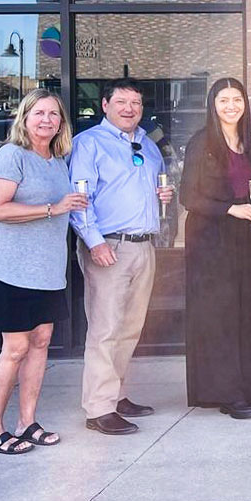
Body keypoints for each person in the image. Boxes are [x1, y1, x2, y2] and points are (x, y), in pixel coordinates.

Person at [70, 79, 175, 436]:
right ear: (104, 105)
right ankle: (99, 409)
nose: (130, 108)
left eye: (136, 103)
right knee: (105, 328)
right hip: (109, 247)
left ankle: (117, 395)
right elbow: (79, 199)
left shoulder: (146, 143)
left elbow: (157, 186)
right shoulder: (88, 144)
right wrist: (94, 242)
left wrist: (164, 194)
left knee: (130, 328)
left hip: (144, 245)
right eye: (122, 102)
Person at [0, 91, 84, 455]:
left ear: (61, 122)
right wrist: (52, 209)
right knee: (15, 348)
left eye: (53, 114)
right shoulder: (11, 157)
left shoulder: (57, 160)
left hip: (48, 271)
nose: (46, 120)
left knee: (41, 343)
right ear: (24, 118)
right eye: (39, 113)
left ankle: (26, 422)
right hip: (11, 270)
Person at [179, 78, 251, 419]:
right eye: (224, 99)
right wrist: (232, 208)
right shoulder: (202, 143)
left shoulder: (248, 142)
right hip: (209, 240)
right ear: (213, 104)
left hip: (239, 238)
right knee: (218, 316)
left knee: (239, 314)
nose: (231, 105)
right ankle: (226, 393)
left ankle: (238, 387)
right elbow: (188, 196)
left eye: (237, 99)